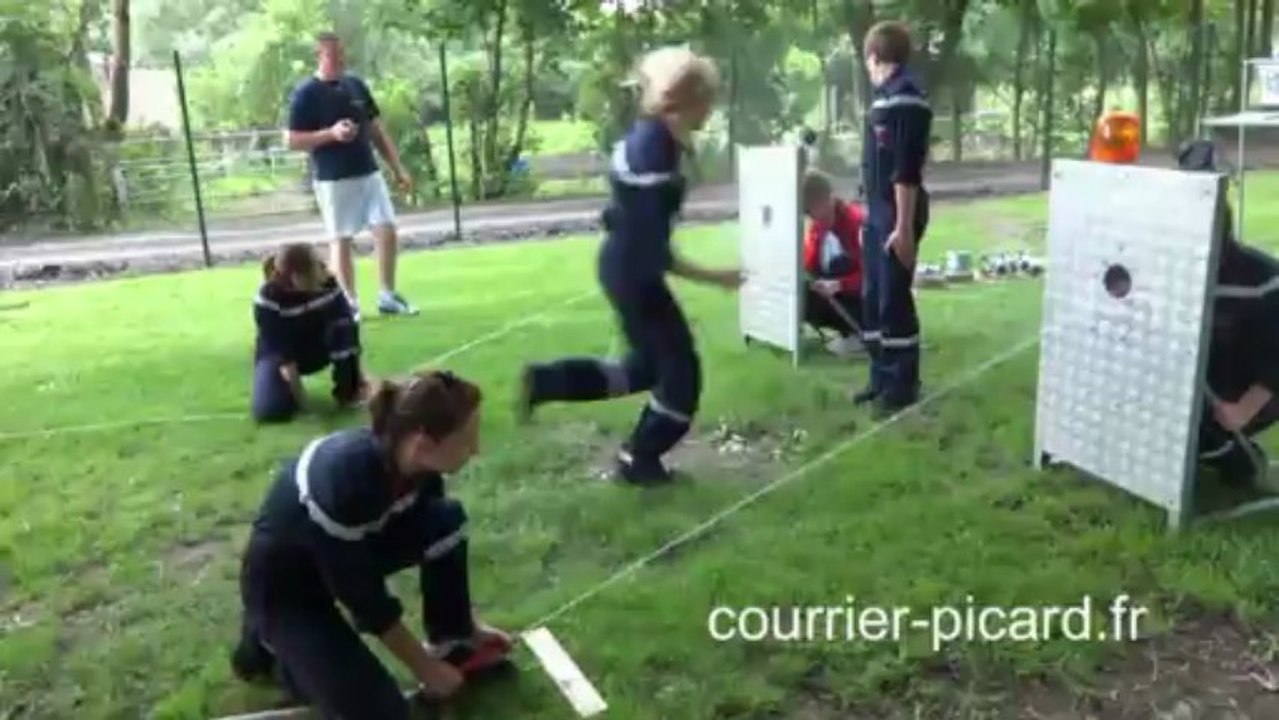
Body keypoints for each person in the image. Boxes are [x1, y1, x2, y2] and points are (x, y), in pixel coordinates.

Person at [514, 46, 743, 485]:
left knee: (644, 368)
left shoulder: (650, 137)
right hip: (634, 273)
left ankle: (549, 381)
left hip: (624, 267)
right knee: (681, 376)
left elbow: (625, 218)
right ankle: (637, 459)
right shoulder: (655, 154)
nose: (711, 110)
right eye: (708, 100)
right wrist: (719, 279)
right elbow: (654, 249)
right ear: (689, 100)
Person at [231, 370, 514, 718]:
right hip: (287, 588)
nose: (476, 449)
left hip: (345, 556)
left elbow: (425, 527)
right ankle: (267, 647)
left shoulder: (418, 469)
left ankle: (452, 638)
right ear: (424, 443)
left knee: (445, 520)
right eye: (467, 438)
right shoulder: (345, 482)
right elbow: (367, 602)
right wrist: (425, 669)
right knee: (382, 712)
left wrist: (471, 629)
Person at [286, 31, 417, 321]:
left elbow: (376, 129)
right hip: (333, 177)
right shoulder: (306, 92)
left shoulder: (355, 85)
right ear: (319, 56)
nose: (340, 59)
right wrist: (331, 134)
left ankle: (387, 296)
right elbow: (292, 140)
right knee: (341, 239)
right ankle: (349, 303)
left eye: (342, 54)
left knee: (386, 228)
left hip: (368, 172)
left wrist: (397, 168)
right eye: (333, 55)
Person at [1178, 140, 1279, 488]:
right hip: (1204, 385)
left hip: (1252, 389)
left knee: (1203, 436)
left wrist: (1244, 410)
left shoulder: (1262, 280)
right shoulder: (1174, 274)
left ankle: (1240, 459)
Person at [856, 20, 932, 416]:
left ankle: (903, 385)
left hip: (897, 211)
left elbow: (905, 168)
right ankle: (880, 376)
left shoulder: (904, 99)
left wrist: (902, 228)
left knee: (892, 300)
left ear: (874, 57)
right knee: (871, 298)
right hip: (877, 212)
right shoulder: (885, 97)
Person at [252, 243, 368, 423]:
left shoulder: (328, 284)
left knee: (343, 328)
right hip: (279, 355)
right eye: (314, 268)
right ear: (295, 277)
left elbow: (348, 334)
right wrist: (304, 405)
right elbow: (285, 357)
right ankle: (285, 394)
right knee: (269, 411)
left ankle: (347, 392)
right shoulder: (269, 298)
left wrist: (357, 380)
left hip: (320, 347)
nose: (322, 272)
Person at [802, 170, 866, 357]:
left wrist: (839, 285)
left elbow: (873, 276)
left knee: (839, 266)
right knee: (802, 293)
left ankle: (861, 334)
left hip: (864, 300)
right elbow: (811, 267)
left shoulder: (857, 223)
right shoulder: (817, 227)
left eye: (811, 208)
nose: (810, 216)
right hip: (839, 296)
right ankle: (848, 333)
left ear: (828, 198)